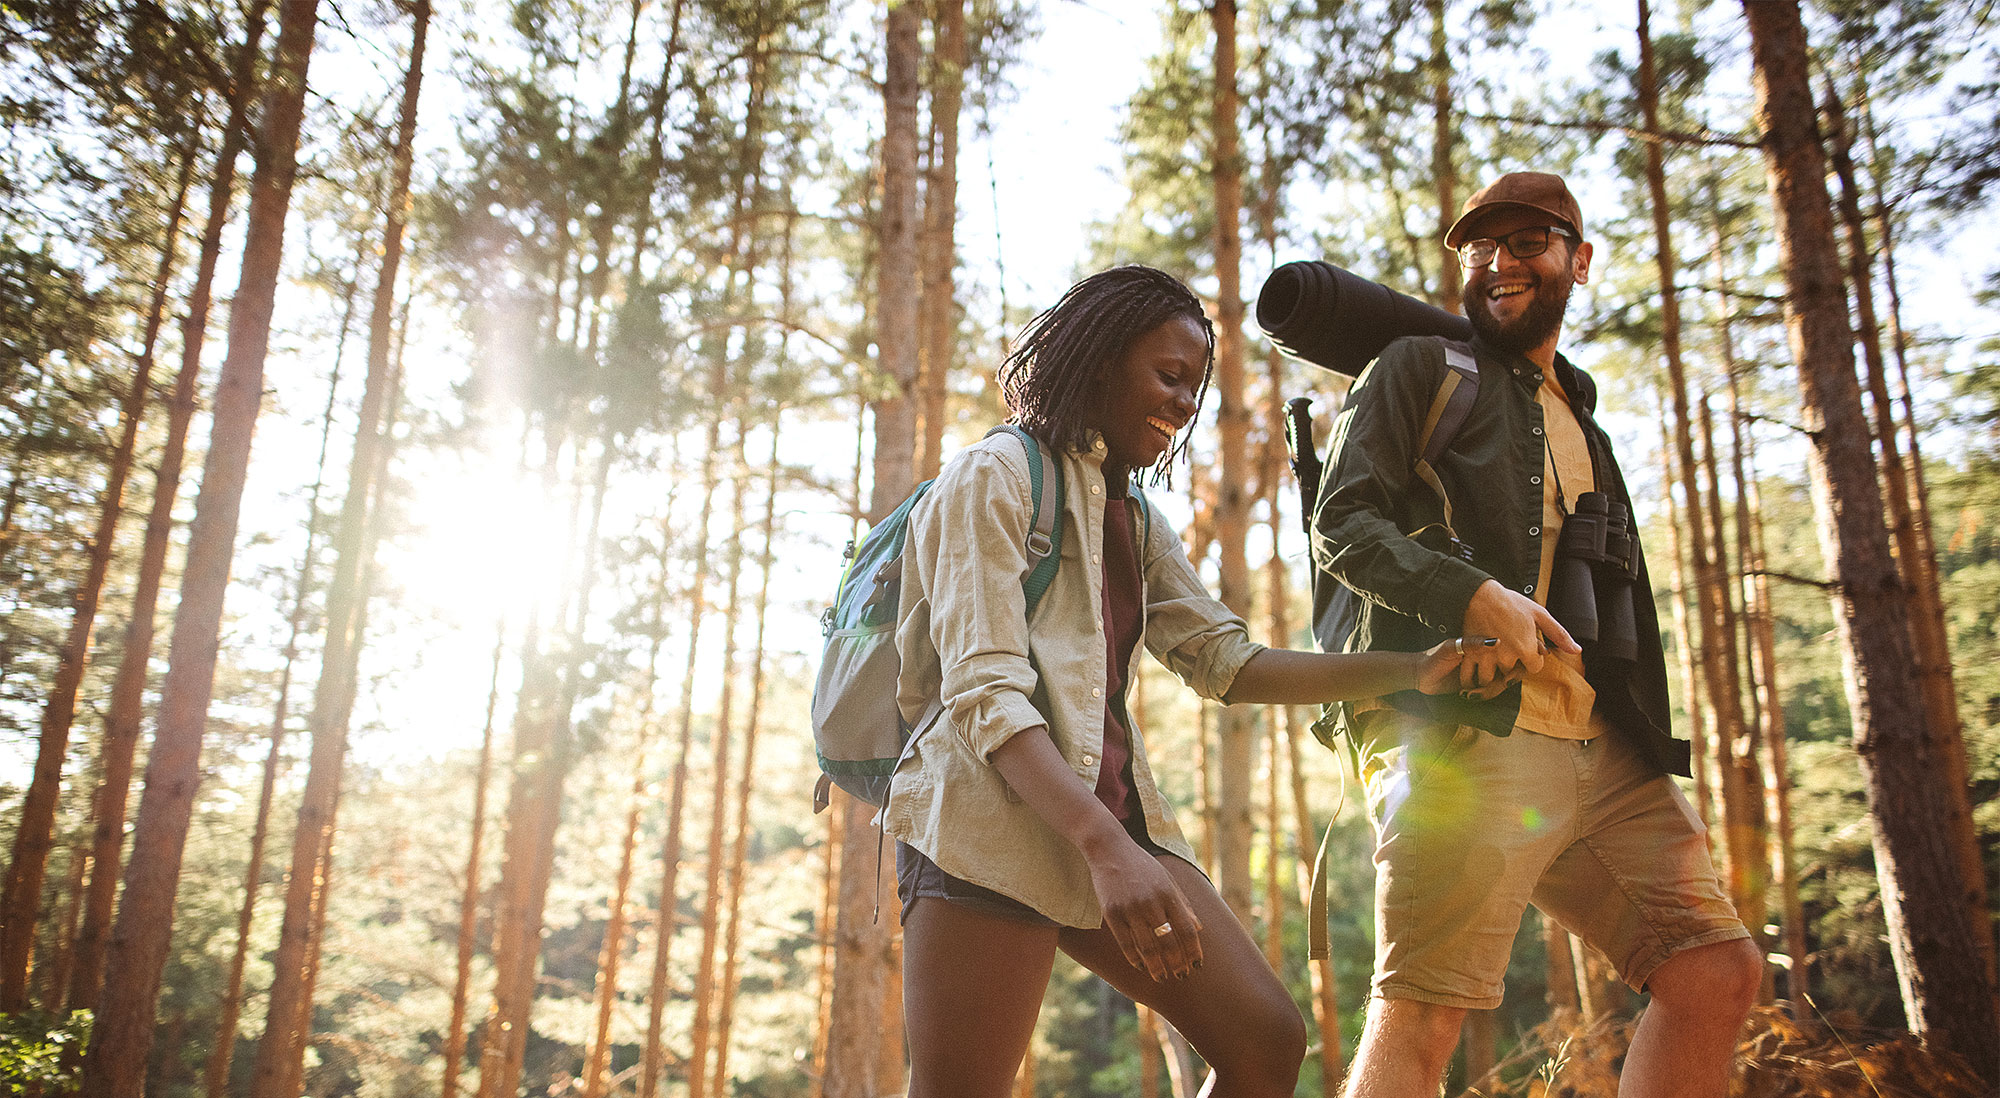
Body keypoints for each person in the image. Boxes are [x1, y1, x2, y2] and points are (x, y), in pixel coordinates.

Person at [885, 264, 1476, 1098]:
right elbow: (983, 691)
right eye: (1169, 377)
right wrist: (1103, 847)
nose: (1185, 406)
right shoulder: (995, 474)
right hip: (988, 822)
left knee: (1265, 1042)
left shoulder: (1131, 516)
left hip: (1117, 825)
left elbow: (1225, 662)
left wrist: (1413, 672)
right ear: (1098, 361)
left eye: (1195, 390)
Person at [1311, 172, 1762, 1098]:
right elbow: (1341, 525)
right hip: (1467, 729)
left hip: (1601, 741)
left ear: (1578, 260)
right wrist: (1470, 594)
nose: (1498, 262)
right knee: (1425, 1012)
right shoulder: (1416, 369)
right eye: (1479, 246)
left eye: (1528, 243)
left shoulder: (1579, 411)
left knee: (1714, 971)